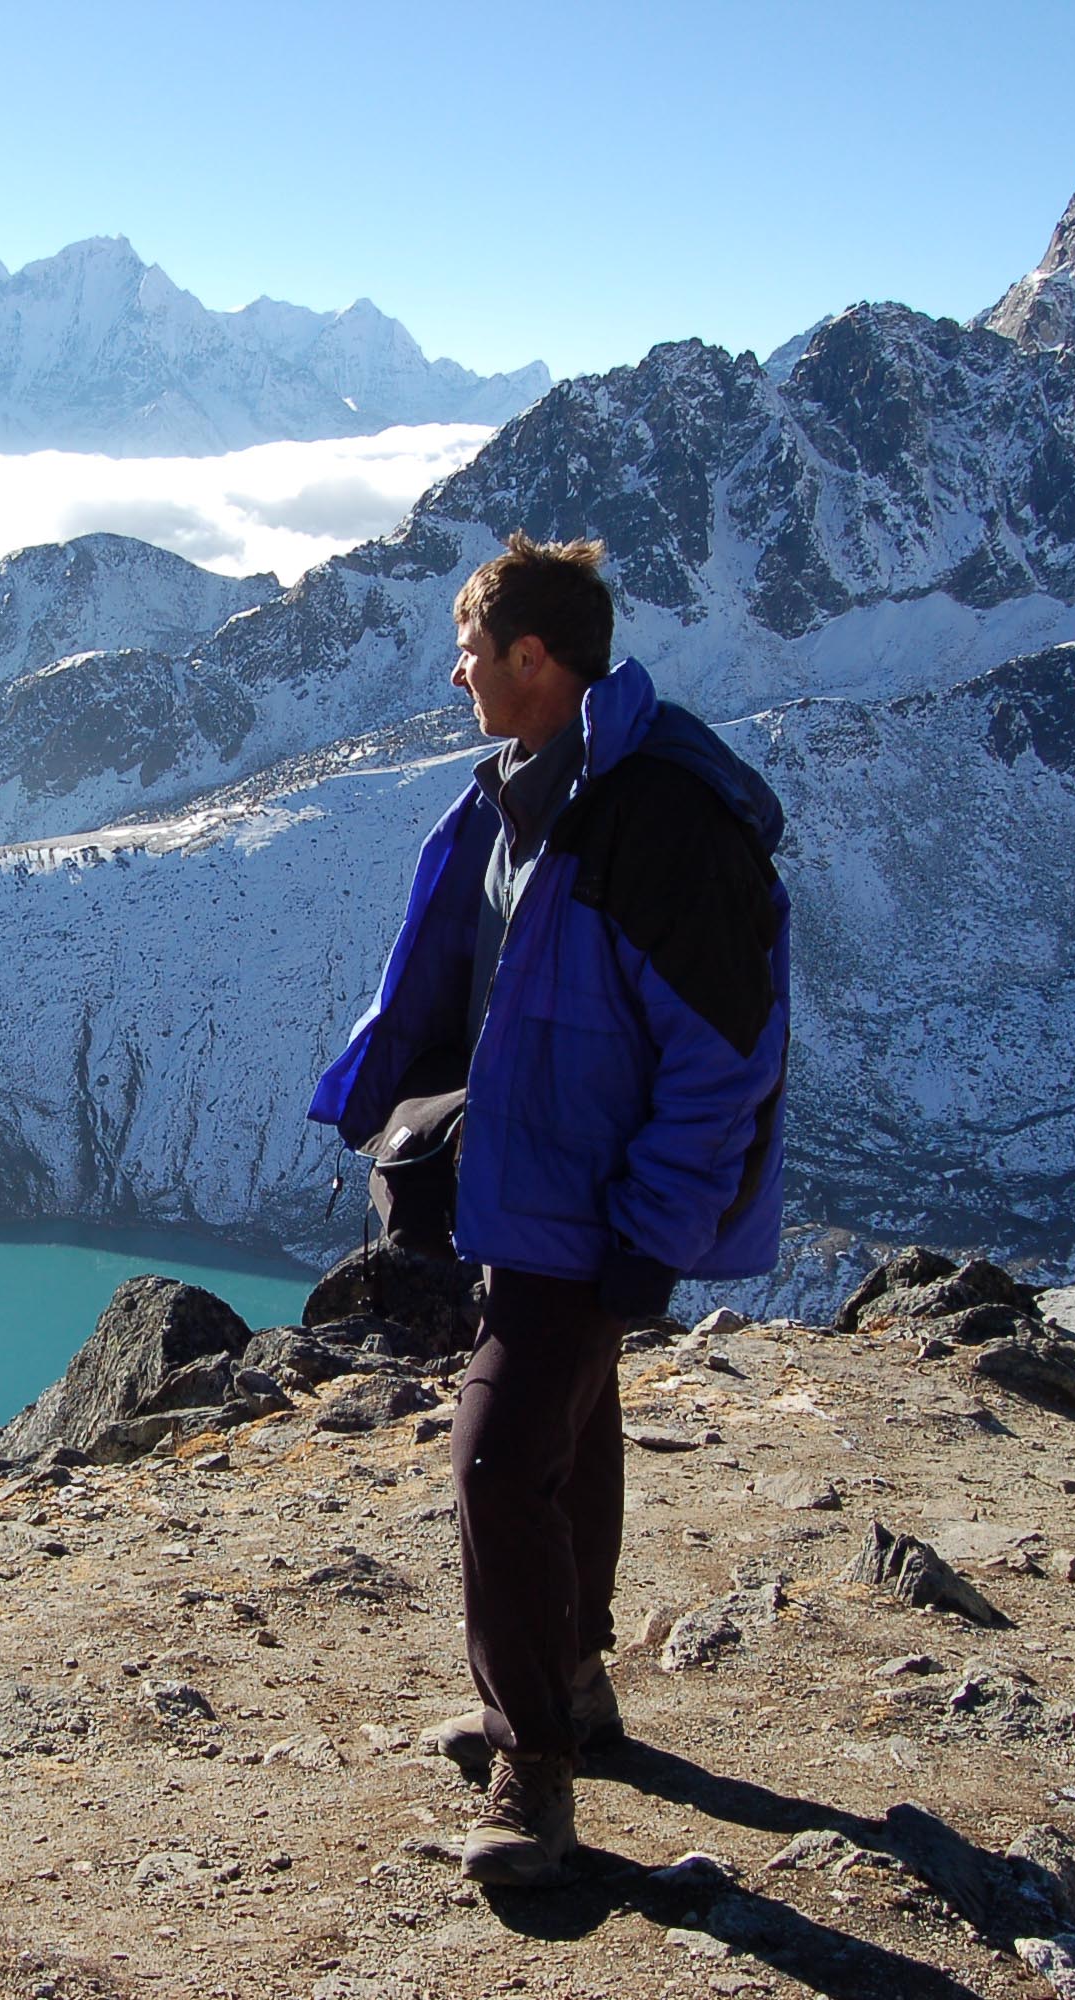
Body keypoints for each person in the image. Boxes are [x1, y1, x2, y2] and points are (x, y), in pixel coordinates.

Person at [307, 532, 790, 1888]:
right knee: (571, 1436)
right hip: (539, 1200)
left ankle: (537, 1779)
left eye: (470, 652)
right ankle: (573, 1688)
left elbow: (722, 1059)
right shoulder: (531, 792)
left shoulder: (652, 816)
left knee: (496, 1466)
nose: (456, 675)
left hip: (593, 1212)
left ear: (534, 659)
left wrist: (654, 1227)